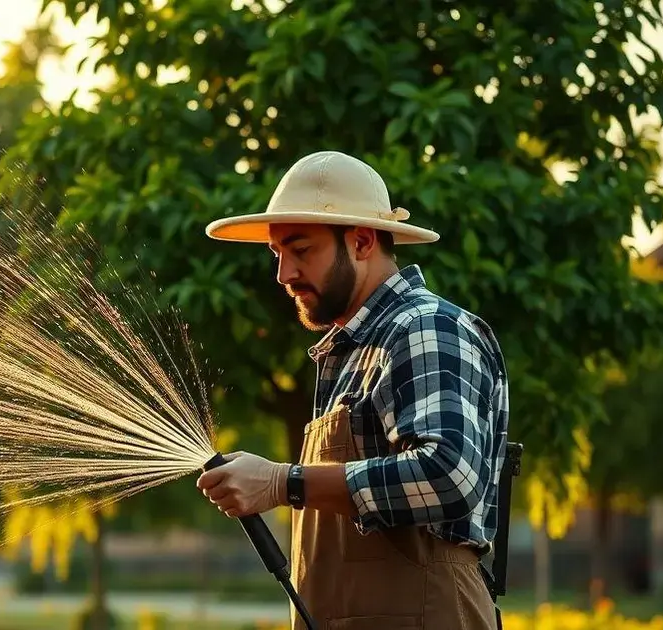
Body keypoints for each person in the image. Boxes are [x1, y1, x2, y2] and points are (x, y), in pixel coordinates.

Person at [196, 151, 510, 630]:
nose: (284, 274)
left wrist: (284, 482)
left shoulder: (423, 327)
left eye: (302, 250)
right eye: (277, 254)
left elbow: (450, 476)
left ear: (362, 242)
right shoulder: (352, 351)